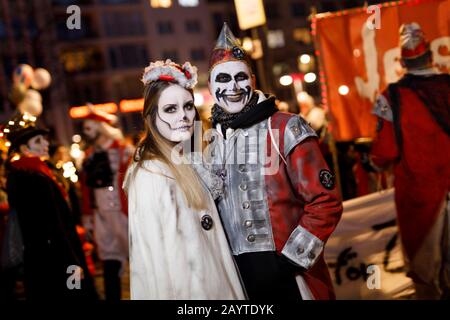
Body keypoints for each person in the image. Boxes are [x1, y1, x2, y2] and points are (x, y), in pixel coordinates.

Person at [205, 23, 343, 300]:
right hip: (236, 275)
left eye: (240, 77)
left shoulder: (287, 127)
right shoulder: (207, 140)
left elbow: (325, 201)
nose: (232, 87)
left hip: (288, 271)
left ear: (253, 80)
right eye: (222, 80)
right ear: (210, 86)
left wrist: (294, 258)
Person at [124, 59, 245, 300]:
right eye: (170, 109)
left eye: (188, 106)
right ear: (151, 116)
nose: (184, 116)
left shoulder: (187, 160)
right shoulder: (152, 174)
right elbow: (155, 266)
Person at [369, 23, 450, 299]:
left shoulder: (390, 98)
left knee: (427, 277)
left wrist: (373, 163)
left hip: (421, 197)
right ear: (430, 56)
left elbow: (384, 152)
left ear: (402, 62)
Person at [4, 113, 98, 300]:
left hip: (39, 259)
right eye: (38, 141)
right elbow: (54, 225)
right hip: (59, 258)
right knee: (74, 293)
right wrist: (73, 262)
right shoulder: (36, 178)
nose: (46, 144)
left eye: (44, 140)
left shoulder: (21, 175)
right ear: (24, 148)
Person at [79, 107, 132, 300]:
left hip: (125, 213)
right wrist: (87, 216)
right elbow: (86, 189)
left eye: (89, 128)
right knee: (110, 260)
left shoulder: (123, 150)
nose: (86, 133)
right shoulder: (89, 155)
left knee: (139, 256)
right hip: (101, 215)